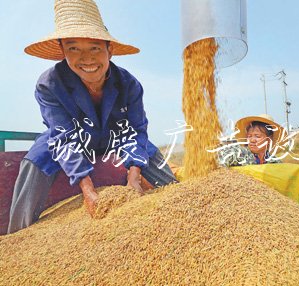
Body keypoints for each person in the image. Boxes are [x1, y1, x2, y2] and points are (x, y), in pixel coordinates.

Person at [8, 0, 177, 234]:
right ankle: (18, 235)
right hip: (70, 137)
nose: (86, 58)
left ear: (110, 49)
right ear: (63, 51)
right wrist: (88, 190)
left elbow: (136, 130)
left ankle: (180, 208)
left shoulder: (129, 85)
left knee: (150, 155)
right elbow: (63, 136)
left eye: (95, 47)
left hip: (115, 137)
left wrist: (134, 177)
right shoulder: (49, 84)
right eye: (73, 48)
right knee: (36, 159)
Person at [217, 114, 284, 167]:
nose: (252, 140)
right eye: (249, 136)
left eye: (257, 136)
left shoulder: (274, 161)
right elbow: (222, 159)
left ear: (269, 139)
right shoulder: (240, 153)